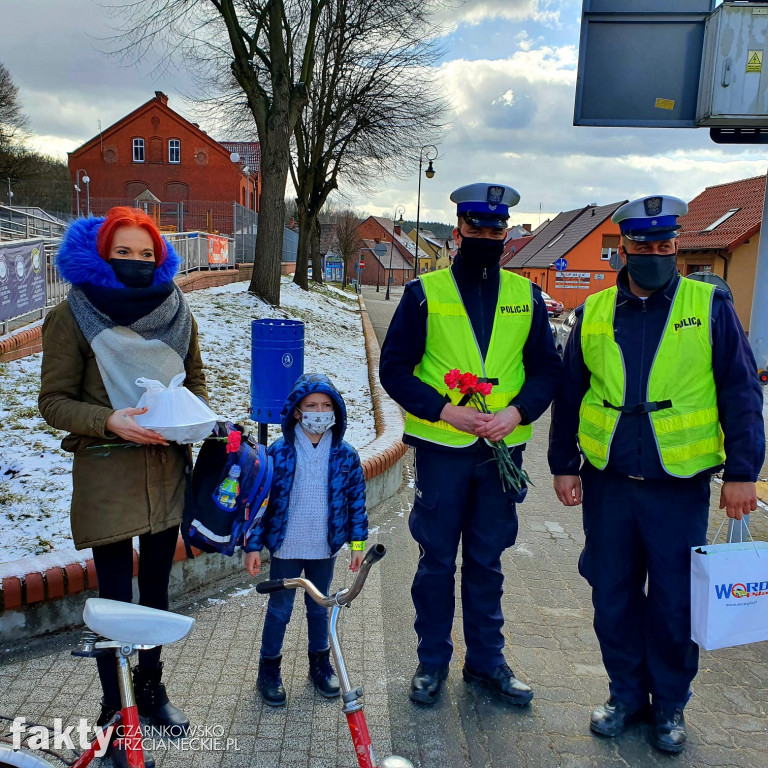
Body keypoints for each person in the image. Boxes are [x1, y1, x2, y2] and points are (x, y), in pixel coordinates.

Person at [548, 195, 765, 753]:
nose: (654, 254)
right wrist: (563, 465)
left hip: (679, 488)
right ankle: (625, 694)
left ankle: (669, 705)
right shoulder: (593, 311)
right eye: (642, 246)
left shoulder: (709, 304)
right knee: (612, 595)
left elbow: (741, 391)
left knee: (674, 603)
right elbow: (570, 394)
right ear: (624, 249)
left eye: (664, 245)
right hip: (609, 486)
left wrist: (744, 473)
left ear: (676, 246)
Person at [379, 183, 562, 705]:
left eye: (495, 229)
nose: (486, 236)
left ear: (506, 234)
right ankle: (431, 663)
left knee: (487, 562)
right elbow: (393, 369)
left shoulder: (525, 296)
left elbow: (547, 371)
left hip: (503, 455)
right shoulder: (424, 293)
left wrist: (518, 412)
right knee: (435, 562)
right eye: (477, 228)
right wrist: (444, 410)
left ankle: (486, 662)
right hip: (443, 452)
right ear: (458, 230)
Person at [39, 207, 207, 768]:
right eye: (124, 253)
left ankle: (152, 689)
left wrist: (193, 417)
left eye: (146, 254)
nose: (136, 263)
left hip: (165, 472)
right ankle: (116, 716)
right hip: (108, 474)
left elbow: (196, 379)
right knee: (113, 603)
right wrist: (109, 420)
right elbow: (52, 401)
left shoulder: (178, 310)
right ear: (103, 255)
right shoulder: (72, 315)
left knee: (157, 592)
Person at [243, 373, 368, 706]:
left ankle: (320, 664)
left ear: (336, 411)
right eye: (311, 405)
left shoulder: (345, 455)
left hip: (324, 547)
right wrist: (253, 545)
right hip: (286, 546)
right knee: (279, 610)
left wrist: (357, 545)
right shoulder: (279, 453)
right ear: (297, 411)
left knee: (320, 607)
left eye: (326, 406)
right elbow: (260, 503)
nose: (319, 411)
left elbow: (357, 502)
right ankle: (268, 670)